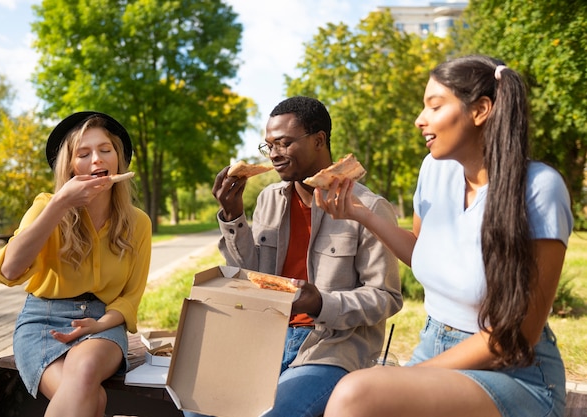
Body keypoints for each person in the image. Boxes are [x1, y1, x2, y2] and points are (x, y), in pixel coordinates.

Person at [317, 55, 573, 417]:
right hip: (434, 344)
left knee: (357, 394)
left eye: (434, 106)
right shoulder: (433, 170)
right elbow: (424, 251)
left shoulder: (539, 188)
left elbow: (515, 337)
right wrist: (360, 215)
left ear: (481, 110)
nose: (420, 120)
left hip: (514, 372)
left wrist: (405, 379)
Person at [204, 96, 402, 417]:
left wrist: (320, 303)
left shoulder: (369, 208)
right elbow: (249, 277)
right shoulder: (269, 199)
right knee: (202, 401)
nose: (274, 155)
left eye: (284, 143)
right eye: (268, 146)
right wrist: (232, 215)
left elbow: (386, 298)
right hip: (264, 340)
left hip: (332, 349)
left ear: (319, 140)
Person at [0, 111, 152, 417]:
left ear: (118, 159)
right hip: (42, 322)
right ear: (69, 165)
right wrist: (60, 204)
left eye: (106, 150)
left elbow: (130, 297)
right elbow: (9, 271)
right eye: (84, 153)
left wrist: (99, 324)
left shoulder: (138, 223)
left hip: (101, 322)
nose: (97, 161)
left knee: (86, 366)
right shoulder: (46, 207)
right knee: (95, 402)